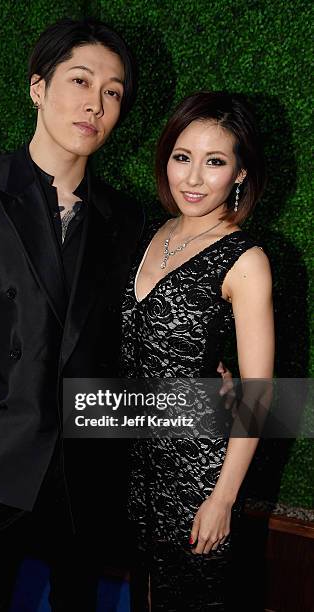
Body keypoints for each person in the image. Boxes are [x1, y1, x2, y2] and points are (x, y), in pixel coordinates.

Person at [0, 18, 143, 611]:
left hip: (87, 453)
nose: (95, 103)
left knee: (78, 599)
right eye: (80, 80)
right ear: (38, 88)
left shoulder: (127, 220)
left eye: (113, 91)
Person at [120, 91, 274, 611]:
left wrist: (223, 499)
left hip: (198, 475)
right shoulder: (150, 232)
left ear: (240, 175)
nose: (192, 178)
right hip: (136, 461)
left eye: (215, 162)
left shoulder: (245, 259)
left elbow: (257, 393)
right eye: (183, 157)